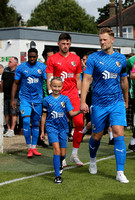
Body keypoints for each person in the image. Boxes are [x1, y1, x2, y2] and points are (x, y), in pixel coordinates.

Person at [81, 27, 129, 183]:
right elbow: (87, 80)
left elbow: (123, 81)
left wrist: (126, 99)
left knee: (118, 133)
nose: (102, 42)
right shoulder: (94, 58)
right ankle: (92, 160)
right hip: (99, 103)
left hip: (116, 102)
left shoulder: (121, 59)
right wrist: (83, 101)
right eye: (100, 40)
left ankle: (120, 172)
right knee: (96, 136)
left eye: (104, 39)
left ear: (112, 40)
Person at [46, 33, 84, 166]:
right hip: (59, 96)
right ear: (58, 44)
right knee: (61, 126)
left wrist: (79, 95)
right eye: (63, 44)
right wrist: (52, 96)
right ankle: (61, 156)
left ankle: (74, 154)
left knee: (79, 123)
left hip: (73, 95)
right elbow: (49, 78)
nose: (65, 46)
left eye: (67, 44)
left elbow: (78, 78)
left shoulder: (76, 58)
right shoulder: (52, 59)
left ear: (70, 44)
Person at [40, 77, 82, 184]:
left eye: (59, 86)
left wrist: (80, 111)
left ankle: (59, 163)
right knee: (57, 151)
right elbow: (44, 116)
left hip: (63, 128)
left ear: (62, 86)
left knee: (63, 154)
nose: (56, 88)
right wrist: (42, 131)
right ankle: (57, 176)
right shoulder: (46, 100)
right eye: (54, 86)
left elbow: (71, 113)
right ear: (50, 85)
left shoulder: (65, 99)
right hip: (51, 128)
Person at [11, 48, 47, 158]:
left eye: (34, 57)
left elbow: (47, 81)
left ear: (37, 56)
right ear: (27, 57)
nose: (32, 59)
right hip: (25, 99)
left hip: (38, 100)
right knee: (26, 122)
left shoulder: (42, 67)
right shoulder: (21, 67)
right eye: (30, 57)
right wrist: (13, 99)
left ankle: (34, 147)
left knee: (36, 124)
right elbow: (15, 83)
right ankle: (29, 148)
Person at [37, 47, 55, 148]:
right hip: (44, 96)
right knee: (43, 116)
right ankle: (41, 137)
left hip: (54, 95)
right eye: (49, 57)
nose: (51, 58)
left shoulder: (55, 67)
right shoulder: (43, 67)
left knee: (52, 116)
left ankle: (52, 139)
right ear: (44, 57)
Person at [1, 57, 19, 137]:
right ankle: (8, 128)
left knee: (13, 112)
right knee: (6, 113)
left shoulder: (18, 71)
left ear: (15, 63)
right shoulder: (6, 70)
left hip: (14, 96)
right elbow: (2, 82)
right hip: (5, 95)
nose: (8, 63)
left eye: (10, 61)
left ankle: (12, 129)